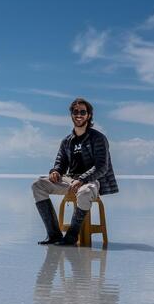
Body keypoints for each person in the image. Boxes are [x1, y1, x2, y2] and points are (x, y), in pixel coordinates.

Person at [31, 98, 119, 245]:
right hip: (69, 181)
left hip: (91, 181)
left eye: (83, 112)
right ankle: (54, 234)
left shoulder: (98, 138)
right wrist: (55, 171)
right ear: (71, 115)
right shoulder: (67, 141)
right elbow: (60, 163)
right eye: (75, 112)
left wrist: (82, 179)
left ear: (89, 115)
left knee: (84, 192)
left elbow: (101, 166)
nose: (79, 115)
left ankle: (72, 235)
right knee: (37, 185)